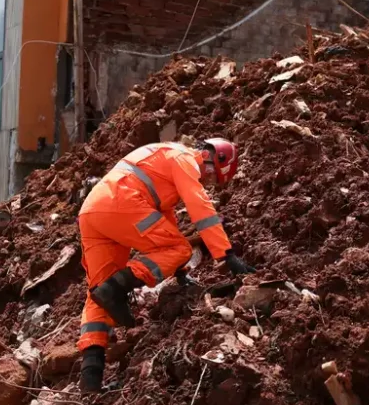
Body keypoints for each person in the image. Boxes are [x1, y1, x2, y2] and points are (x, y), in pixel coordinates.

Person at [76, 138, 256, 392]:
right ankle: (116, 288)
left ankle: (90, 380)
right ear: (210, 156)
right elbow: (200, 207)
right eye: (212, 175)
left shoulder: (163, 161)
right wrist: (226, 255)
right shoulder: (184, 159)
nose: (207, 181)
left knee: (97, 293)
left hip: (94, 211)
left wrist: (179, 271)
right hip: (120, 201)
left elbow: (166, 224)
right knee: (179, 249)